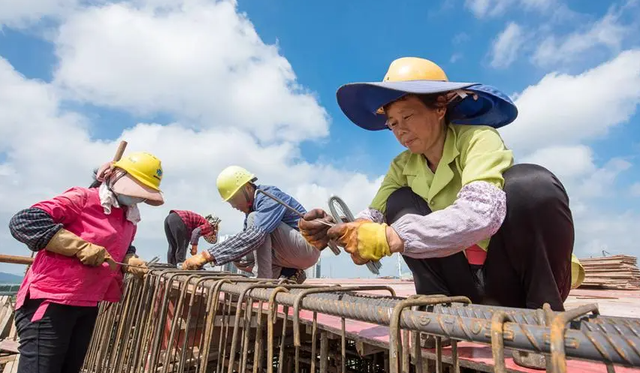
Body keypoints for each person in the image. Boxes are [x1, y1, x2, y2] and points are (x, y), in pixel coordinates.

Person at [299, 57, 585, 312]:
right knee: (399, 200)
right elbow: (372, 217)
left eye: (408, 116)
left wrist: (392, 237)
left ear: (439, 107)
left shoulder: (478, 139)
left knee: (531, 185)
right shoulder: (402, 165)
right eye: (393, 123)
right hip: (464, 288)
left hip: (515, 282)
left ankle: (541, 316)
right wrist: (333, 230)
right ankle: (435, 307)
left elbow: (480, 215)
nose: (401, 131)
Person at [8, 151, 164, 373]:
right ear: (117, 177)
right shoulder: (82, 198)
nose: (137, 198)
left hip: (87, 303)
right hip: (51, 301)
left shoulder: (128, 218)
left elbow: (120, 246)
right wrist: (79, 246)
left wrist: (130, 258)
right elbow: (24, 222)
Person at [183, 165, 320, 283]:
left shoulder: (268, 196)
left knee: (255, 224)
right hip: (291, 254)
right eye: (230, 202)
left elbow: (255, 236)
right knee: (239, 256)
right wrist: (215, 257)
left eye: (234, 199)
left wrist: (205, 256)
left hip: (307, 248)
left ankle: (263, 281)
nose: (234, 205)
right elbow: (244, 242)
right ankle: (290, 272)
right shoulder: (252, 211)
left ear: (248, 188)